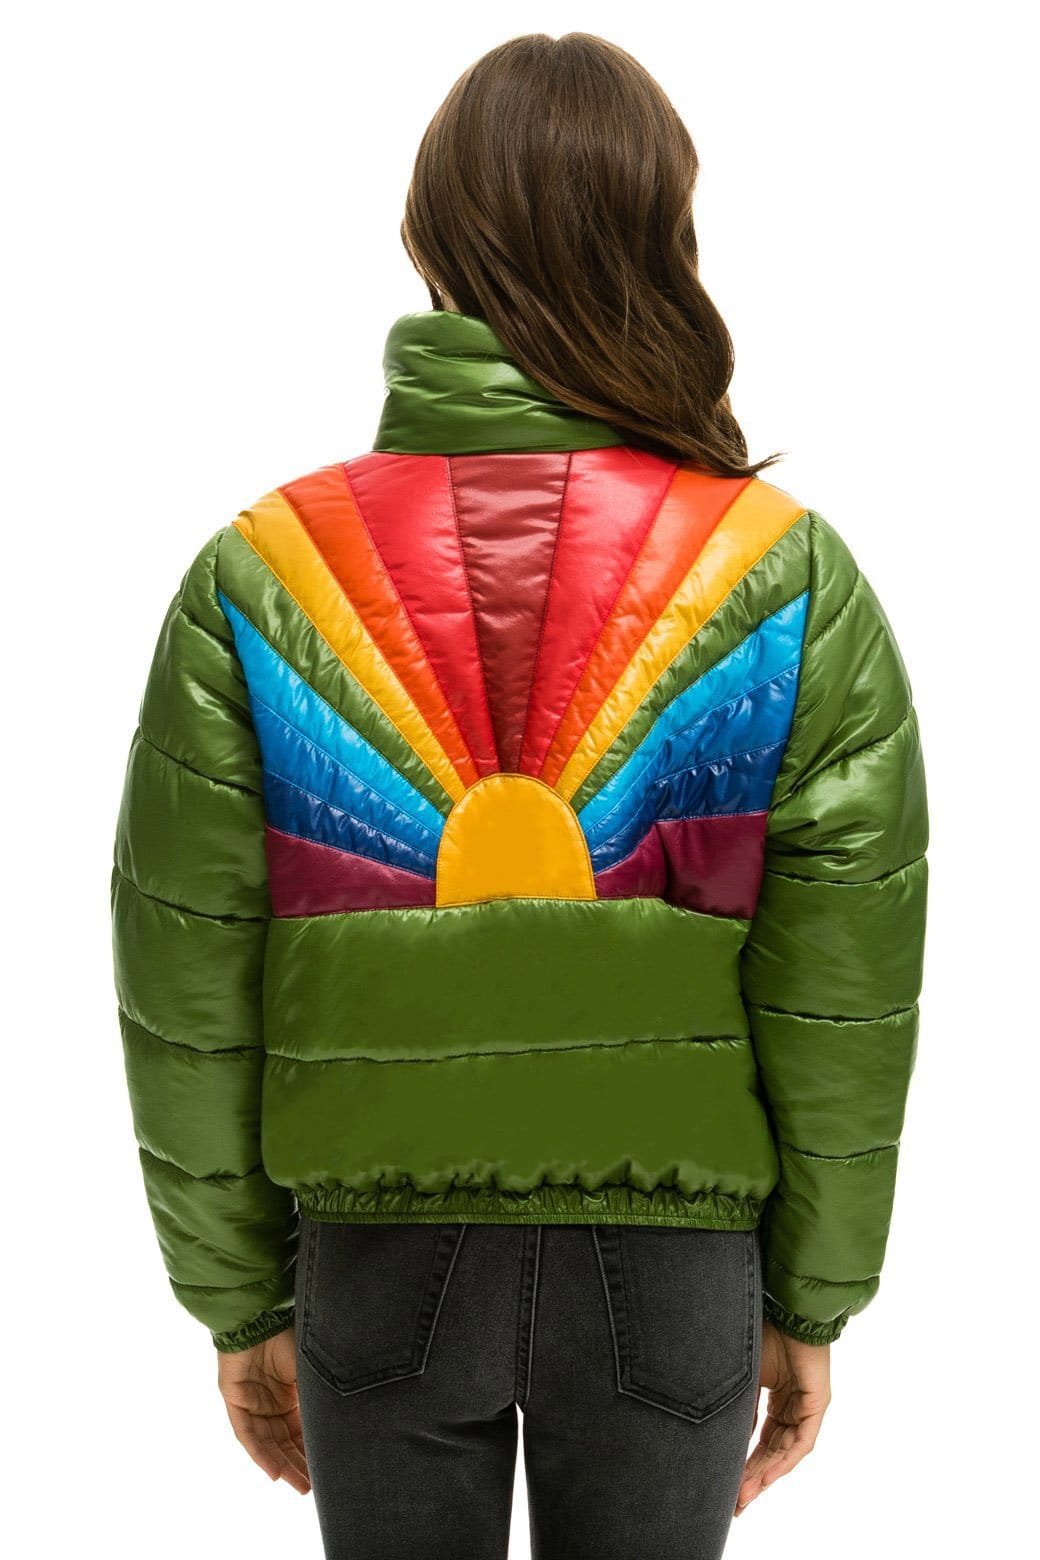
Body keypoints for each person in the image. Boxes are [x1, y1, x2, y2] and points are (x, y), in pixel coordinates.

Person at [109, 30, 929, 1560]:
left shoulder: (260, 574)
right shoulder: (785, 577)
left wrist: (238, 1299)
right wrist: (814, 1297)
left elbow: (187, 972)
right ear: (665, 238)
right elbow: (843, 990)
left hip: (375, 1258)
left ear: (430, 242)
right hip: (675, 1271)